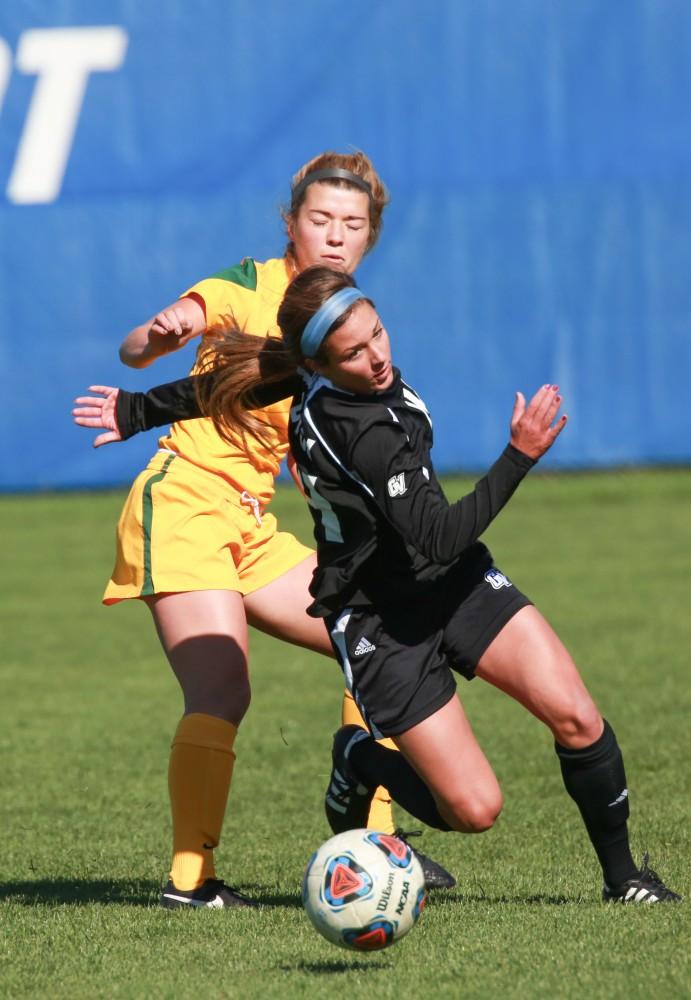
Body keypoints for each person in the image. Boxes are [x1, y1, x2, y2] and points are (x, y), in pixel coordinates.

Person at [93, 264, 680, 904]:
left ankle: (625, 880)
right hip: (381, 622)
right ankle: (360, 760)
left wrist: (136, 409)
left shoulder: (309, 370)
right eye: (354, 351)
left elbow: (234, 386)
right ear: (320, 364)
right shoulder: (357, 430)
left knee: (576, 713)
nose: (376, 358)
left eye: (377, 333)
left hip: (452, 584)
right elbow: (439, 535)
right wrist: (520, 456)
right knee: (475, 810)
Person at [81, 151, 455, 909]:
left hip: (251, 526)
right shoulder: (251, 284)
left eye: (351, 224)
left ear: (369, 236)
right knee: (223, 687)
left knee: (376, 638)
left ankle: (375, 840)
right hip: (184, 503)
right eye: (319, 220)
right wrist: (165, 329)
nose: (334, 235)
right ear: (291, 225)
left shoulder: (342, 321)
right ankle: (191, 883)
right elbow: (150, 338)